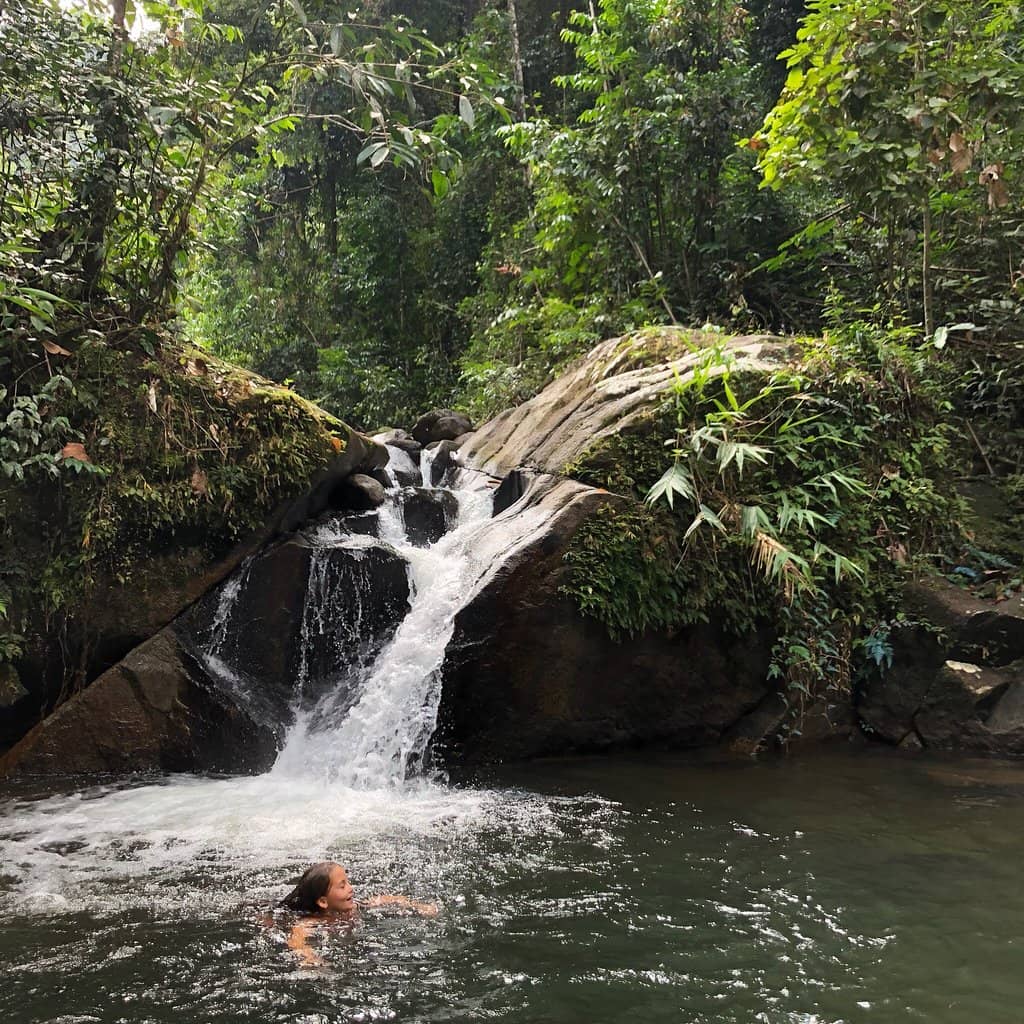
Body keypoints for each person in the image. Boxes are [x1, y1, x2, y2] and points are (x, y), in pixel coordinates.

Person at [279, 861, 437, 966]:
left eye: (348, 882)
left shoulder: (354, 907)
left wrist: (418, 906)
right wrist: (310, 958)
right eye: (342, 886)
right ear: (323, 902)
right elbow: (296, 941)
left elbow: (385, 899)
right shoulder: (310, 922)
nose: (351, 888)